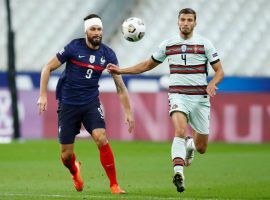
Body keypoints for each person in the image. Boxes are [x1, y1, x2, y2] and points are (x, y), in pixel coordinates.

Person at [107, 8, 224, 193]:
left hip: (200, 99)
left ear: (195, 23)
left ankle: (190, 146)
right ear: (178, 22)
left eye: (189, 20)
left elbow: (220, 71)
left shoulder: (204, 44)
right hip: (178, 95)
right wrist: (121, 70)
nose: (186, 23)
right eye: (183, 20)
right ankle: (178, 173)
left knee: (201, 147)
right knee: (179, 130)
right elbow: (147, 65)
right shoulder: (168, 44)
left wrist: (213, 84)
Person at [37, 14, 134, 194]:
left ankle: (114, 184)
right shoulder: (74, 47)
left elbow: (120, 86)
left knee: (101, 137)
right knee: (66, 156)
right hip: (68, 104)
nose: (97, 33)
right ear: (86, 32)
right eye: (93, 29)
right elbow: (47, 68)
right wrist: (43, 95)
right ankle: (74, 170)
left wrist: (128, 112)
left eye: (99, 29)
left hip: (90, 103)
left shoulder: (108, 54)